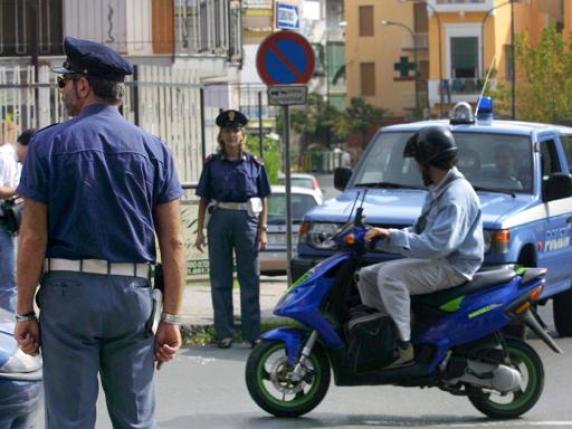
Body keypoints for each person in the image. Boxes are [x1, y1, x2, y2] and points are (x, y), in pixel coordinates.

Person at [14, 37, 186, 428]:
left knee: (70, 421)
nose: (62, 91)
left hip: (68, 298)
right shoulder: (154, 149)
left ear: (83, 85)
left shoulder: (47, 145)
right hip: (132, 298)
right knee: (135, 421)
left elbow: (32, 238)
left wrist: (25, 310)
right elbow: (174, 241)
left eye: (64, 82)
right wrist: (172, 317)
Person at [357, 125, 484, 368]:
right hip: (441, 259)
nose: (416, 168)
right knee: (367, 276)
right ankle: (389, 333)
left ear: (428, 162)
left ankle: (405, 347)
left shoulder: (455, 195)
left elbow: (437, 246)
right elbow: (419, 232)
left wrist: (393, 236)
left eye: (417, 162)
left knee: (390, 276)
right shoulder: (439, 189)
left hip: (453, 265)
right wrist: (383, 236)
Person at [194, 109, 271, 349]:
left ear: (243, 134)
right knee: (220, 279)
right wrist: (199, 231)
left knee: (250, 278)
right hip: (219, 220)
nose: (231, 135)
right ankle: (224, 332)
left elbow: (264, 196)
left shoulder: (255, 164)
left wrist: (263, 228)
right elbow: (204, 198)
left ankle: (252, 333)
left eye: (236, 130)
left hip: (247, 220)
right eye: (227, 131)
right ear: (221, 135)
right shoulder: (213, 164)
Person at [0, 120, 19, 312]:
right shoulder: (5, 155)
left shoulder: (7, 154)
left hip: (5, 221)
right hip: (2, 222)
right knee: (7, 282)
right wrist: (19, 190)